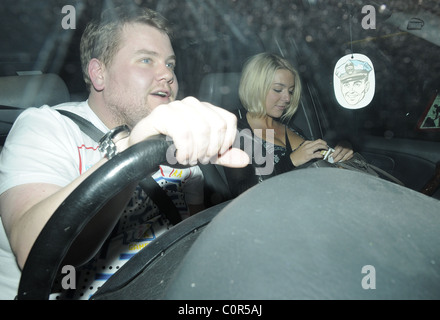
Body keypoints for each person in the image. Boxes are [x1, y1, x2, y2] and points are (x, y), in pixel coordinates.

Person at [0, 6, 248, 300]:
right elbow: (36, 249)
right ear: (99, 73)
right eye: (146, 60)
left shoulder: (180, 148)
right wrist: (132, 152)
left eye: (171, 64)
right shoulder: (46, 127)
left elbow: (192, 247)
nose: (167, 74)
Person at [224, 52, 353, 196]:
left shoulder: (290, 127)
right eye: (278, 90)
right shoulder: (237, 131)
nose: (287, 98)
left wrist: (339, 153)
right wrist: (291, 160)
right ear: (256, 87)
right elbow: (242, 193)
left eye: (290, 91)